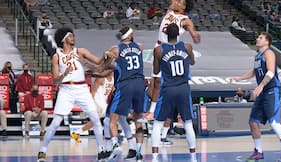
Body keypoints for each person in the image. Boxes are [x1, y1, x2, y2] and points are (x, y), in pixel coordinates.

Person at [37, 27, 108, 162]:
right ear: (64, 39)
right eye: (70, 36)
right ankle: (42, 151)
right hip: (66, 90)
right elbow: (55, 80)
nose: (73, 37)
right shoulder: (57, 56)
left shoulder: (80, 51)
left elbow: (98, 63)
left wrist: (106, 56)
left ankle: (101, 150)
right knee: (56, 123)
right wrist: (65, 73)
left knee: (95, 118)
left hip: (82, 88)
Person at [146, 0, 201, 144]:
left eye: (180, 1)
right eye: (178, 0)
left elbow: (192, 30)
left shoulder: (184, 19)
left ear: (184, 7)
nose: (177, 0)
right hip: (159, 46)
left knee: (161, 82)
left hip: (172, 51)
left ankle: (157, 115)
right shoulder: (171, 10)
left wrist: (193, 34)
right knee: (154, 81)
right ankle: (153, 111)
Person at [230, 32, 281, 162]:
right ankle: (258, 151)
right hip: (263, 91)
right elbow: (254, 72)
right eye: (258, 37)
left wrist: (261, 86)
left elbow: (270, 71)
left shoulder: (269, 53)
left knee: (274, 123)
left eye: (260, 37)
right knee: (253, 121)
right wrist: (239, 78)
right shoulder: (258, 56)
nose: (257, 39)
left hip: (272, 90)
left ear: (267, 42)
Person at [151, 23, 196, 162]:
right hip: (183, 88)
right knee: (188, 123)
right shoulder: (187, 47)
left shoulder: (159, 50)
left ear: (165, 34)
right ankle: (193, 157)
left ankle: (154, 157)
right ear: (178, 34)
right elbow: (192, 62)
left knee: (158, 123)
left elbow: (156, 70)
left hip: (168, 89)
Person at [105, 27, 146, 161]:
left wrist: (107, 55)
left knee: (113, 118)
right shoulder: (140, 47)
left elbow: (105, 67)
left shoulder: (115, 49)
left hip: (125, 85)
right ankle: (137, 151)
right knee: (138, 119)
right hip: (140, 83)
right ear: (130, 35)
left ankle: (116, 145)